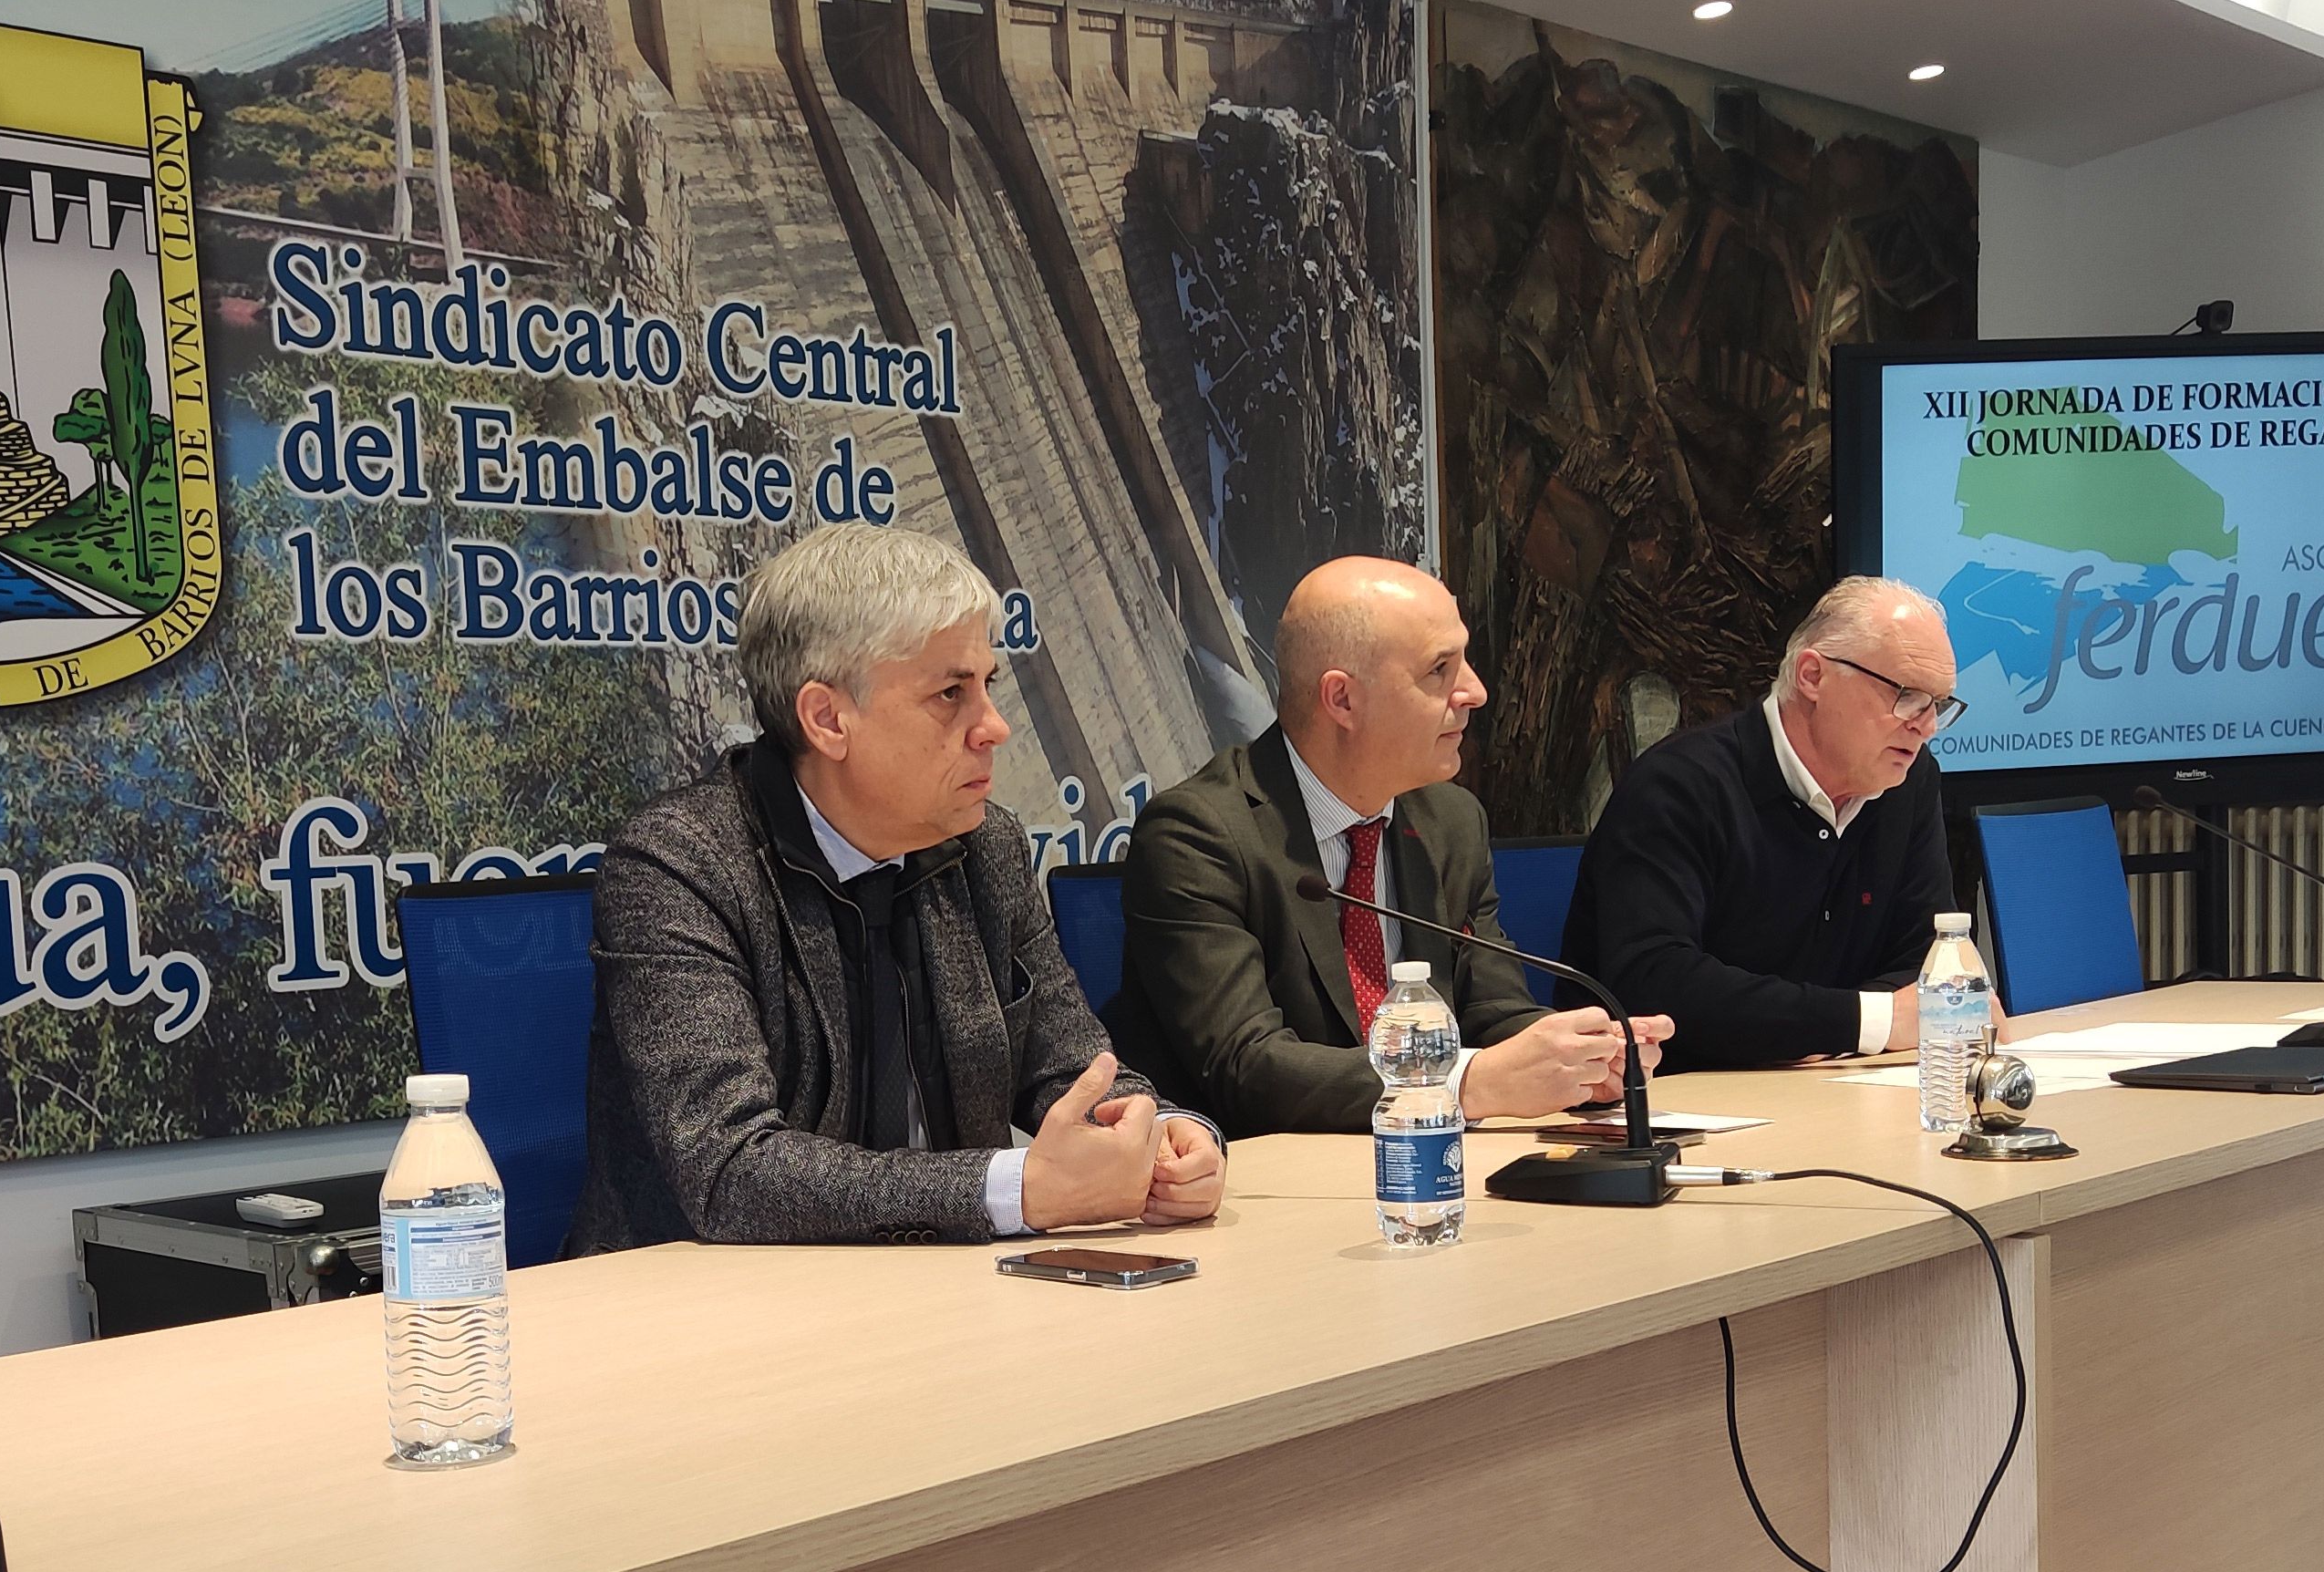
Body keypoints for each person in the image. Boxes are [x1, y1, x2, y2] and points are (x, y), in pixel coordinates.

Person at [569, 523, 1226, 1251]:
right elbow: (731, 1172)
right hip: (707, 1318)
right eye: (951, 693)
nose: (996, 728)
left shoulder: (986, 846)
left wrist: (1164, 1135)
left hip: (948, 1296)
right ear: (827, 719)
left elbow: (1076, 1071)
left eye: (988, 686)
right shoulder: (679, 867)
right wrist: (1017, 1191)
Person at [1105, 556, 1668, 1135]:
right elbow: (1246, 1067)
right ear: (1343, 700)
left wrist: (1580, 1060)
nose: (1475, 691)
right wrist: (1466, 1083)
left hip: (1435, 1174)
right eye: (1439, 671)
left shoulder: (1451, 820)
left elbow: (1493, 1010)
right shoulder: (1197, 836)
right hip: (1266, 1189)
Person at [1564, 574, 1975, 1071]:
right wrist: (1868, 1021)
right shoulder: (1680, 785)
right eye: (1907, 695)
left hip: (1836, 1086)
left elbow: (1927, 962)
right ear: (1812, 676)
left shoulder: (1907, 782)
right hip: (1680, 1103)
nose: (1925, 726)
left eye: (1939, 705)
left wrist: (1832, 1025)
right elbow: (1656, 981)